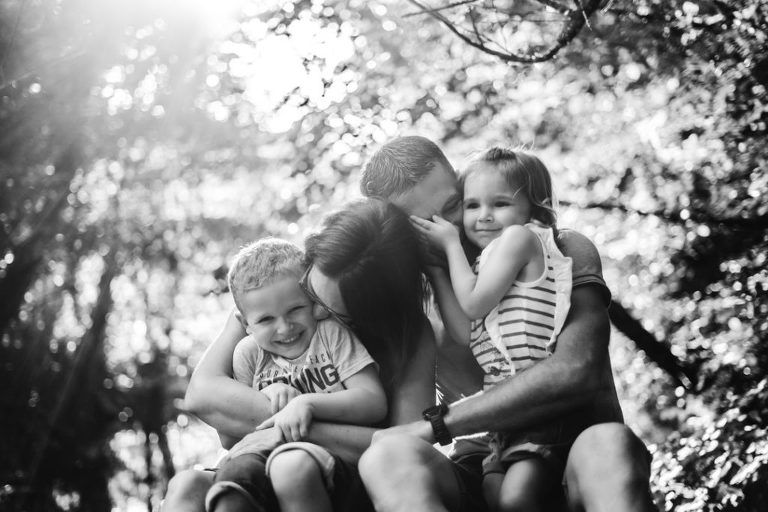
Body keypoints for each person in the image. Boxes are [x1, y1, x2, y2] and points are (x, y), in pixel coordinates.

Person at [356, 135, 656, 512]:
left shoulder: (557, 249)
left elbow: (577, 370)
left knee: (609, 445)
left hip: (572, 448)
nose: (448, 224)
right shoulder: (412, 301)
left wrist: (437, 425)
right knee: (386, 458)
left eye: (452, 204)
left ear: (460, 179)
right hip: (480, 466)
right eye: (421, 224)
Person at [162, 198, 435, 512]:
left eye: (329, 309)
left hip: (335, 467)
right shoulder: (272, 296)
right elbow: (203, 398)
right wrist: (274, 405)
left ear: (368, 312)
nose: (313, 312)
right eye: (312, 291)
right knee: (186, 486)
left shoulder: (403, 334)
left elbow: (408, 442)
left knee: (291, 468)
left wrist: (299, 421)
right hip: (258, 459)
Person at [410, 147, 575, 511]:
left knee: (517, 499)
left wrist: (451, 245)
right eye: (472, 206)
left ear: (532, 206)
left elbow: (472, 303)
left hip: (537, 408)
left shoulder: (521, 239)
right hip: (504, 417)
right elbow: (467, 332)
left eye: (499, 204)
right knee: (494, 496)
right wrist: (438, 268)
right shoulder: (488, 260)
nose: (483, 217)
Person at [205, 238, 387, 512]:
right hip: (257, 455)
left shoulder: (330, 334)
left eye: (295, 309)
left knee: (290, 466)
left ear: (313, 301)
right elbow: (230, 438)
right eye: (266, 319)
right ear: (245, 324)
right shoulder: (248, 354)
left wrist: (306, 403)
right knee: (227, 485)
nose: (285, 327)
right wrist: (264, 396)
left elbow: (373, 402)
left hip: (326, 456)